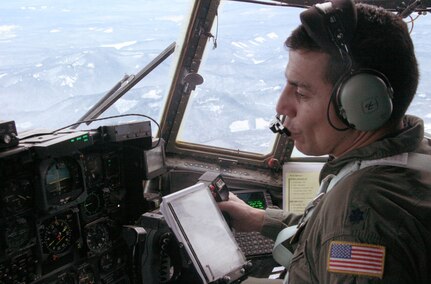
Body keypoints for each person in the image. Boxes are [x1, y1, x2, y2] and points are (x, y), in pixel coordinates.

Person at [218, 0, 431, 283]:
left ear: (362, 104)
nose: (282, 105)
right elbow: (322, 237)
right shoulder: (410, 154)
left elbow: (348, 234)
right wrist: (260, 220)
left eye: (302, 93)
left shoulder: (362, 219)